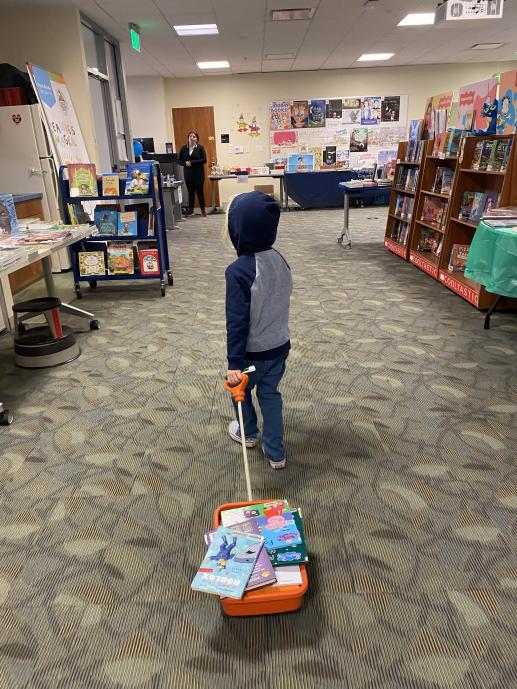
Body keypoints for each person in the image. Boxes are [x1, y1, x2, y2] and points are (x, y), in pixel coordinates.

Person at [224, 192, 292, 469]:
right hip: (279, 347)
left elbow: (237, 321)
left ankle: (248, 433)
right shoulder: (279, 259)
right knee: (270, 394)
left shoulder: (238, 271)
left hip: (251, 353)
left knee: (238, 391)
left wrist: (233, 362)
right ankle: (276, 453)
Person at [178, 131, 207, 216]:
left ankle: (203, 210)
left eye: (194, 136)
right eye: (190, 136)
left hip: (198, 173)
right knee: (190, 192)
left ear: (197, 139)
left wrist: (192, 162)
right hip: (188, 173)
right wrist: (185, 163)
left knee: (200, 192)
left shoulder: (200, 148)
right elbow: (179, 161)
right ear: (188, 138)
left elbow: (204, 160)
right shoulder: (183, 148)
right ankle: (190, 210)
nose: (192, 138)